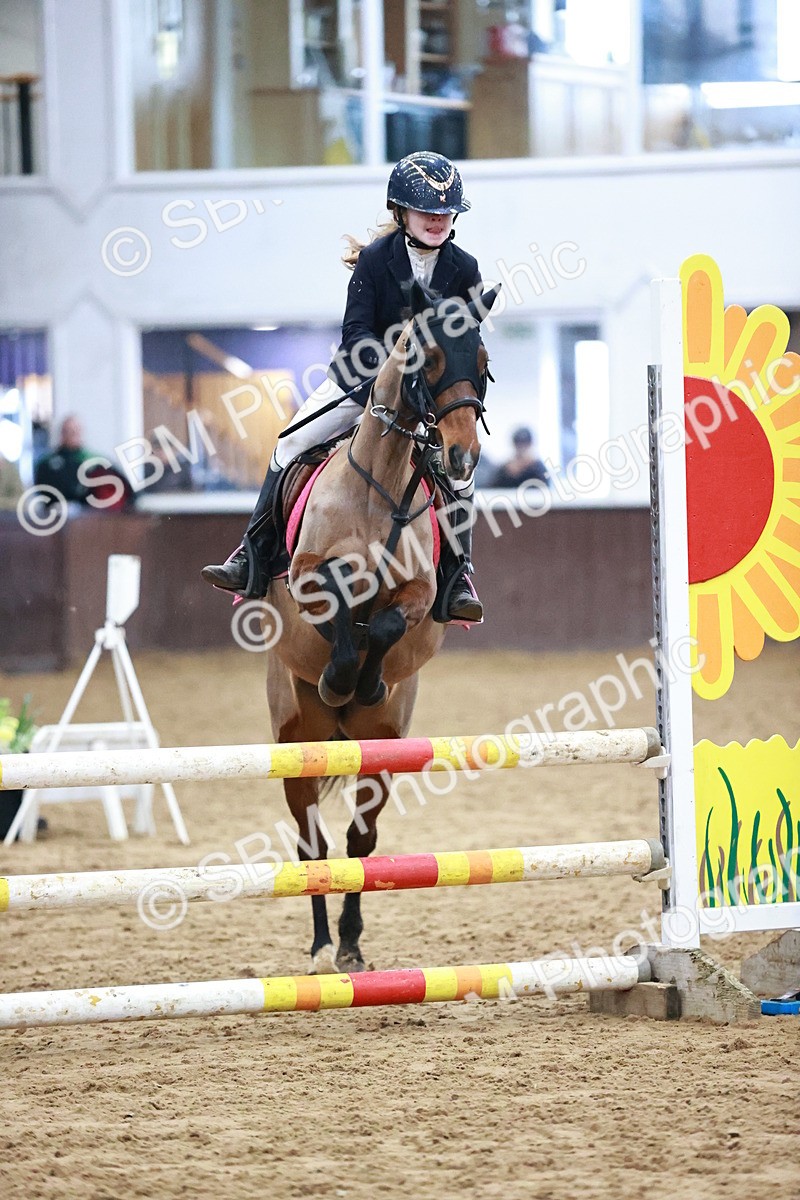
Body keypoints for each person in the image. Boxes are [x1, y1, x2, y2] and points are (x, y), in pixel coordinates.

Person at [202, 151, 486, 622]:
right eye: (426, 212)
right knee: (291, 440)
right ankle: (252, 554)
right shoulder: (376, 261)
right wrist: (389, 384)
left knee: (462, 471)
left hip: (431, 400)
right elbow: (356, 335)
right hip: (360, 385)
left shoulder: (465, 269)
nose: (437, 221)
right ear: (402, 212)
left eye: (445, 213)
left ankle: (457, 575)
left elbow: (465, 341)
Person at [33, 415, 94, 503]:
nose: (71, 435)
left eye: (74, 432)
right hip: (54, 510)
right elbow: (42, 487)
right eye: (67, 431)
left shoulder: (92, 460)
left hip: (87, 512)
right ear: (62, 433)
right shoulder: (47, 462)